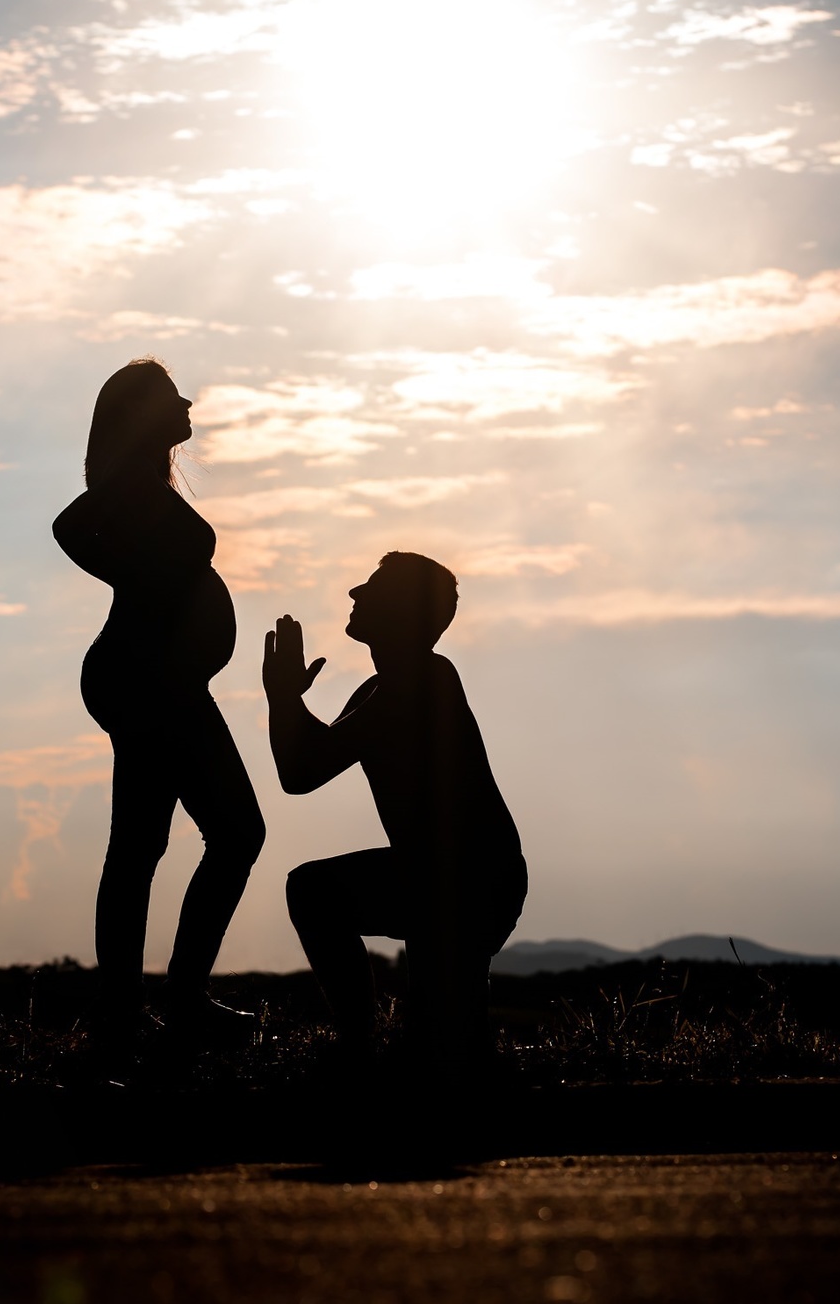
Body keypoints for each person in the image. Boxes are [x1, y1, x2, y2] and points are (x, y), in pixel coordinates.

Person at [53, 358, 264, 1048]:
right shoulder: (126, 483)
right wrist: (130, 576)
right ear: (142, 414)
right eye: (174, 397)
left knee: (144, 843)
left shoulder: (144, 483)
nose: (188, 404)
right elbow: (68, 526)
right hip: (149, 680)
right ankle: (172, 1001)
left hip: (158, 679)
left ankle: (134, 1007)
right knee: (232, 833)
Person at [263, 552, 526, 1080]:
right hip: (435, 880)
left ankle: (362, 1049)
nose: (355, 593)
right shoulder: (380, 690)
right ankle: (368, 1047)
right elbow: (303, 769)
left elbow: (303, 768)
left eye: (373, 588)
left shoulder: (424, 679)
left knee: (442, 1059)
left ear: (403, 611)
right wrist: (284, 697)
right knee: (438, 1053)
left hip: (467, 883)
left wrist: (284, 698)